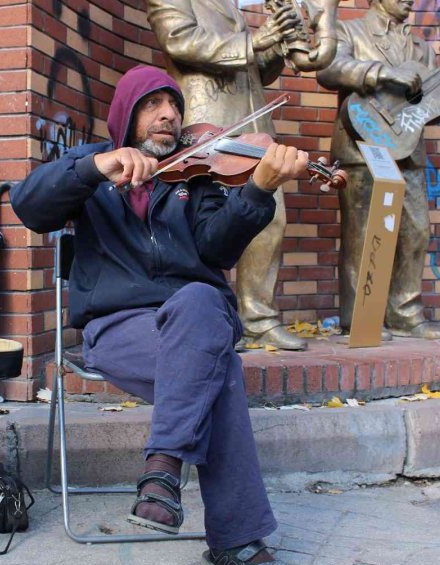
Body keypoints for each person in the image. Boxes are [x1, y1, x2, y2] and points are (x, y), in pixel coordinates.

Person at [11, 65, 307, 565]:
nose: (169, 114)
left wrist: (259, 191)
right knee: (221, 372)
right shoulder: (90, 168)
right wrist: (96, 168)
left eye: (174, 105)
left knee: (199, 299)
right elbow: (29, 205)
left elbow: (218, 252)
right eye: (153, 104)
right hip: (119, 328)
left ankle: (162, 473)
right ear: (127, 115)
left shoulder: (199, 177)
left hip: (195, 320)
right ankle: (237, 544)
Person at [145, 0, 340, 351]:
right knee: (205, 227)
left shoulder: (231, 6)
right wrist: (256, 40)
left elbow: (256, 72)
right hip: (206, 128)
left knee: (271, 219)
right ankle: (207, 321)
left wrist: (277, 45)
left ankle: (259, 319)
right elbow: (179, 41)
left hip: (251, 127)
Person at [316, 0, 440, 339]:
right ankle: (361, 319)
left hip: (408, 151)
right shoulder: (350, 30)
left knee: (416, 231)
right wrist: (383, 73)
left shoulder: (421, 49)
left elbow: (430, 107)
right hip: (361, 144)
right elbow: (328, 68)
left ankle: (405, 313)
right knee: (363, 235)